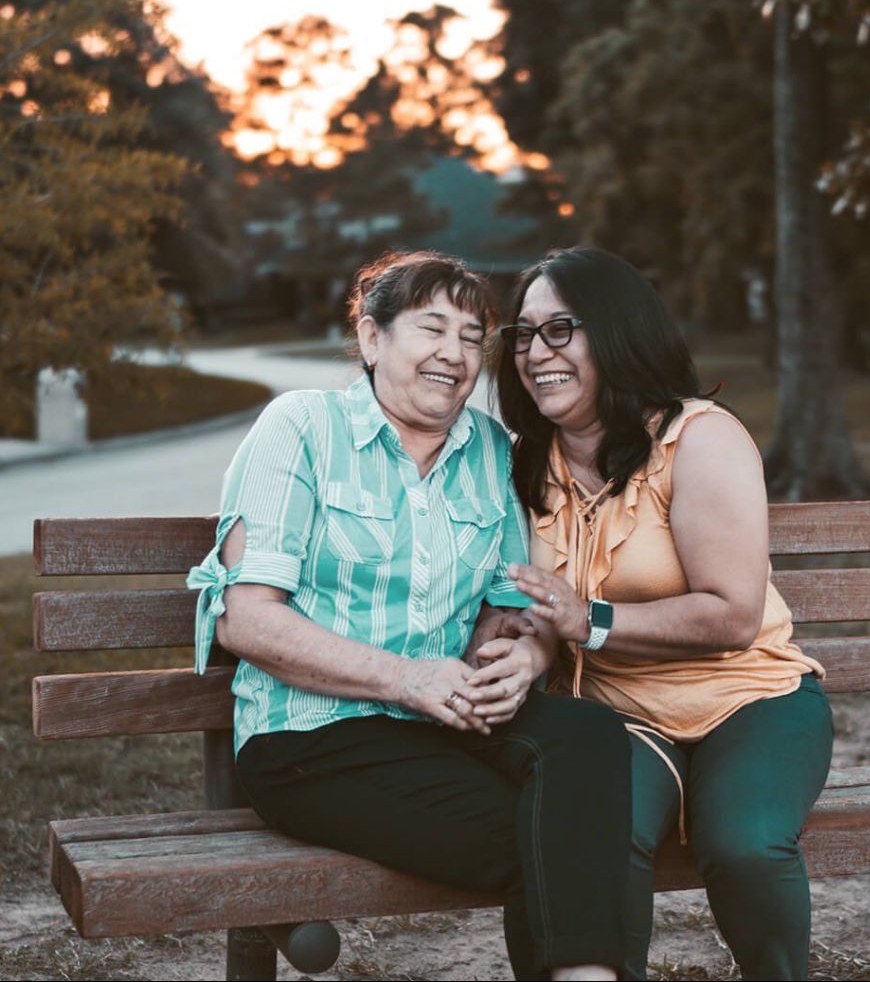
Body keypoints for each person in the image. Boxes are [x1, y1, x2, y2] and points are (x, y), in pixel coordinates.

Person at [187, 251, 632, 982]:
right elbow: (246, 620)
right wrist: (404, 678)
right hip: (310, 741)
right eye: (432, 328)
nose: (454, 354)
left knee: (587, 734)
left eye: (470, 336)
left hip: (443, 723)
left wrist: (519, 656)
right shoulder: (301, 428)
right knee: (553, 840)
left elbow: (508, 605)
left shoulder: (490, 450)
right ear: (371, 339)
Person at [496, 247, 834, 982]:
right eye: (522, 334)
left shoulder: (698, 437)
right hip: (615, 716)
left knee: (745, 843)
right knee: (587, 840)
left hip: (749, 702)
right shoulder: (523, 462)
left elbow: (733, 614)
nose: (535, 353)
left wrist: (592, 621)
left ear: (615, 332)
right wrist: (524, 645)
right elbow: (528, 606)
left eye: (561, 329)